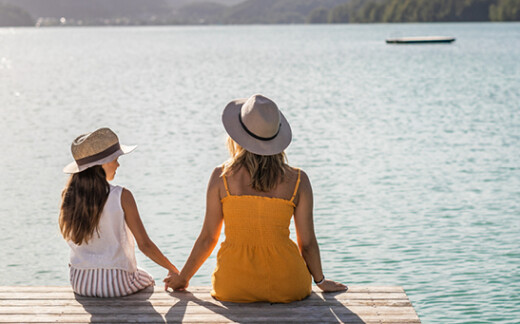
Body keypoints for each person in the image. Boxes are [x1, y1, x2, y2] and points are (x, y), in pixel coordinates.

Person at [164, 94, 347, 302]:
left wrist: (183, 278)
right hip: (289, 284)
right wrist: (321, 281)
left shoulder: (221, 177)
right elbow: (307, 243)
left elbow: (208, 238)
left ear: (237, 136)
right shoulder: (298, 180)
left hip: (232, 285)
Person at [60, 128, 178, 297]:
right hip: (116, 283)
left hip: (80, 281)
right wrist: (172, 269)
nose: (118, 164)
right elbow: (144, 244)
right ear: (103, 163)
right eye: (115, 159)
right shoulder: (122, 196)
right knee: (148, 279)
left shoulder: (68, 196)